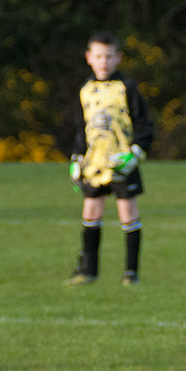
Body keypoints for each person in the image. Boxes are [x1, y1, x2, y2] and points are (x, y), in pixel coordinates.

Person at [66, 31, 154, 285]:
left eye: (108, 56)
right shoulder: (85, 91)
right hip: (95, 165)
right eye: (98, 56)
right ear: (89, 58)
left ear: (118, 58)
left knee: (128, 215)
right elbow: (82, 129)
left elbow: (144, 124)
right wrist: (76, 159)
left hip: (122, 163)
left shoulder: (127, 88)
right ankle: (88, 271)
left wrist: (135, 153)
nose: (103, 61)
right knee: (91, 213)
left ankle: (131, 273)